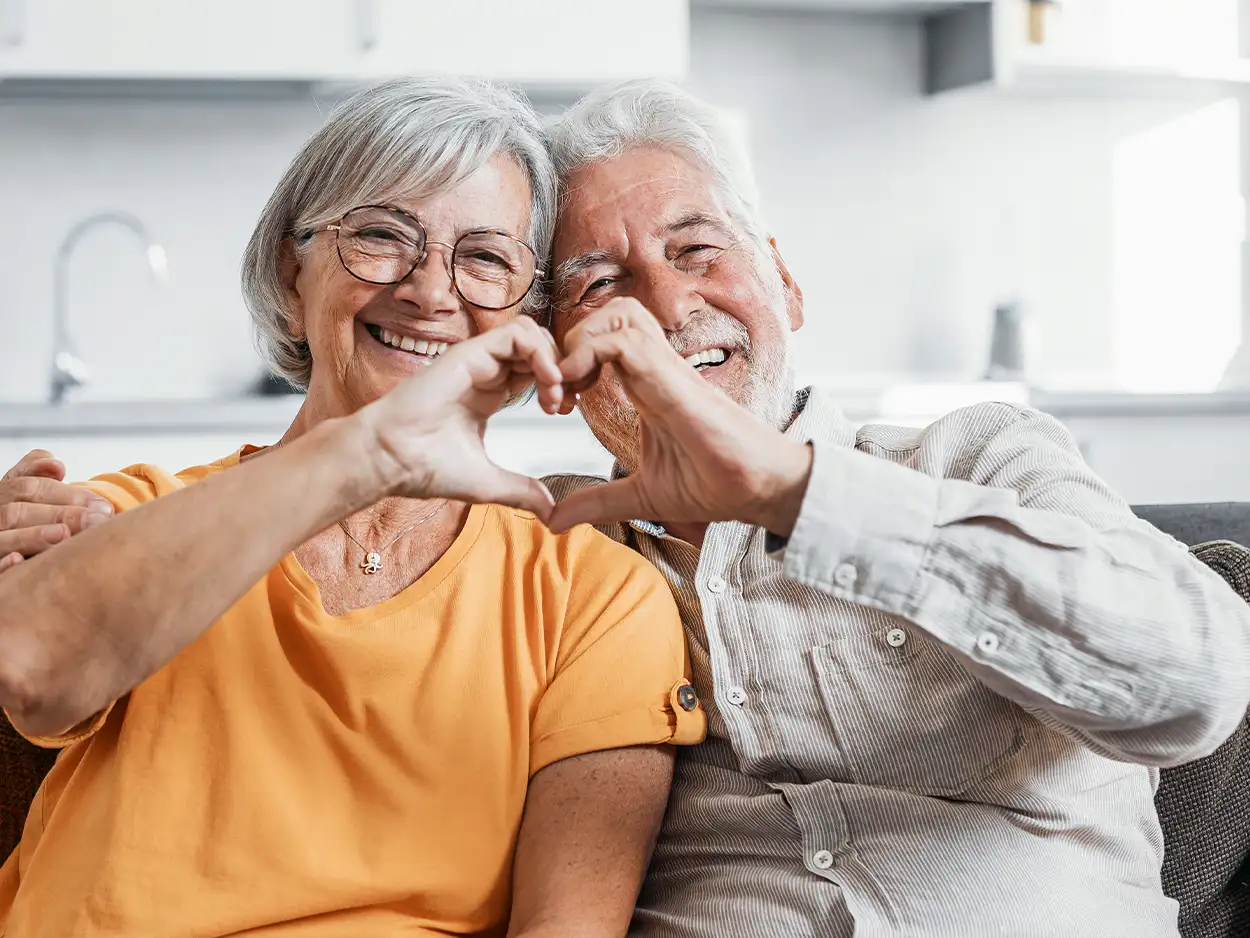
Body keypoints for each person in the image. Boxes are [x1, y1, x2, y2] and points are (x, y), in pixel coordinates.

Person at [535, 82, 1250, 936]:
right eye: (601, 285)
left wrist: (792, 492)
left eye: (696, 251)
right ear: (553, 365)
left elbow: (1195, 686)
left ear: (786, 285)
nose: (664, 306)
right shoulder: (543, 549)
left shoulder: (982, 456)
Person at [0, 77, 703, 938]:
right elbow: (33, 673)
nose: (429, 291)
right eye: (380, 235)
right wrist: (364, 455)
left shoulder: (589, 595)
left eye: (485, 257)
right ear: (291, 272)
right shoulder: (142, 515)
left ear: (528, 313)